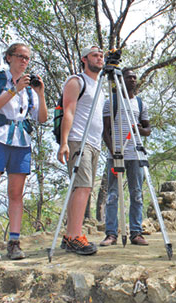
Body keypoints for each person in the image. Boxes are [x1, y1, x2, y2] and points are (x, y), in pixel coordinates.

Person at [0, 43, 48, 262]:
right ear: (8, 58)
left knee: (16, 193)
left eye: (27, 58)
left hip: (21, 140)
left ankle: (14, 243)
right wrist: (13, 89)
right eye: (20, 56)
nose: (24, 61)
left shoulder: (29, 88)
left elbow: (41, 118)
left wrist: (40, 94)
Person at [57, 45, 104, 255]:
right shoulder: (76, 81)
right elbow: (69, 110)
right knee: (83, 187)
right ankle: (75, 236)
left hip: (94, 143)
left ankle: (70, 235)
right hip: (79, 140)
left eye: (101, 56)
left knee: (84, 188)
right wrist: (64, 142)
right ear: (84, 59)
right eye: (95, 55)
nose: (100, 59)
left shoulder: (99, 87)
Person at [100, 69, 151, 246]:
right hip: (116, 155)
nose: (132, 80)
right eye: (128, 77)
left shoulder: (140, 104)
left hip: (135, 155)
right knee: (113, 195)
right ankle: (111, 234)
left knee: (137, 194)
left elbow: (147, 129)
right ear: (120, 80)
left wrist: (139, 128)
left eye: (134, 77)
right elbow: (105, 131)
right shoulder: (110, 103)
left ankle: (136, 233)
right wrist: (113, 151)